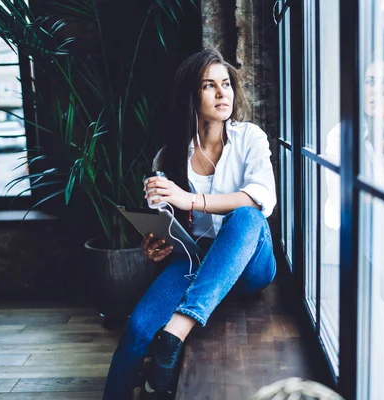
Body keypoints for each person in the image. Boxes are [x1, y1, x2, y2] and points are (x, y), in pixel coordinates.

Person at [102, 49, 277, 399]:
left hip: (249, 263)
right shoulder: (168, 158)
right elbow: (165, 226)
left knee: (245, 215)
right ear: (191, 96)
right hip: (194, 258)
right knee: (137, 329)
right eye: (209, 85)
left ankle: (175, 334)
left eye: (225, 84)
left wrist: (191, 199)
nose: (222, 93)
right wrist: (153, 244)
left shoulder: (249, 138)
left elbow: (260, 199)